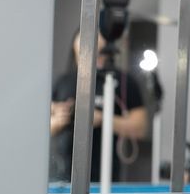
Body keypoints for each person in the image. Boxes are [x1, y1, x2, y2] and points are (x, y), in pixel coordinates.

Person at [49, 31, 148, 183]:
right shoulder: (62, 82)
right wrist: (57, 122)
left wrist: (102, 119)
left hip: (106, 178)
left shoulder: (123, 82)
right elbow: (40, 130)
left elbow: (140, 128)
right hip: (62, 176)